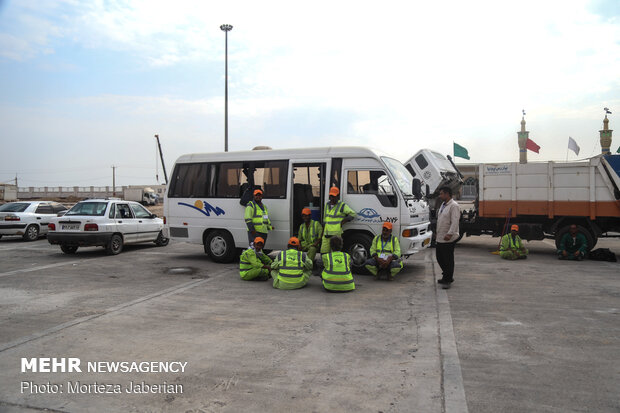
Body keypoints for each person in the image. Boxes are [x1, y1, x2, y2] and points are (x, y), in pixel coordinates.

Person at [436, 186, 461, 289]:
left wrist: (450, 233)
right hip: (440, 236)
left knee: (448, 259)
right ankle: (446, 275)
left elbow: (455, 221)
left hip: (448, 238)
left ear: (447, 194)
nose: (440, 196)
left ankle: (448, 279)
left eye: (441, 194)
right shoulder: (443, 204)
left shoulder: (454, 206)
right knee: (440, 258)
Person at [320, 187, 356, 254]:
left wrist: (344, 221)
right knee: (323, 253)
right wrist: (322, 232)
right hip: (326, 234)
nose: (332, 198)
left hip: (336, 235)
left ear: (338, 196)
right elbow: (325, 220)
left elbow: (353, 214)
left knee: (335, 254)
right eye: (331, 196)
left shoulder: (342, 205)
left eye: (334, 196)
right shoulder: (327, 205)